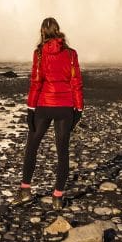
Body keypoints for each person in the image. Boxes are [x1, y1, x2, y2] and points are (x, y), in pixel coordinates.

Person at [18, 16, 83, 206]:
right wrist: (79, 108)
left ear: (42, 32)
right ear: (58, 30)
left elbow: (36, 82)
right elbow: (76, 82)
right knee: (63, 152)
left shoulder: (39, 54)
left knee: (32, 147)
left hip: (44, 106)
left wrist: (30, 110)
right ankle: (57, 197)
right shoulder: (71, 54)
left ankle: (25, 191)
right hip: (65, 108)